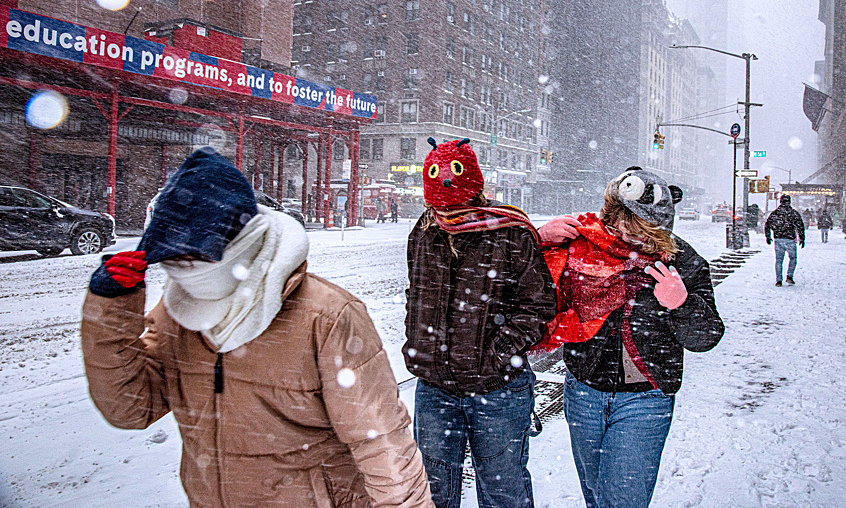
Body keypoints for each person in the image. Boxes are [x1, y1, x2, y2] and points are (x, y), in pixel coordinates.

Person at [81, 148, 434, 508]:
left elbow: (380, 442)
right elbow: (130, 408)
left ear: (238, 243)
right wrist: (111, 311)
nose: (183, 272)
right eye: (172, 261)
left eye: (193, 258)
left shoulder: (327, 316)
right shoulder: (177, 312)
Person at [535, 167, 724, 508]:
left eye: (638, 233)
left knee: (621, 502)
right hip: (584, 393)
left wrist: (680, 303)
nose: (625, 238)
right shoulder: (588, 245)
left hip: (645, 400)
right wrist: (537, 240)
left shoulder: (681, 261)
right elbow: (517, 287)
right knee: (596, 497)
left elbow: (706, 336)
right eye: (619, 226)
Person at [404, 137, 557, 508]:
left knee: (503, 491)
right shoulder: (424, 232)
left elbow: (537, 306)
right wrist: (419, 347)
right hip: (435, 388)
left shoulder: (510, 231)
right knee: (430, 492)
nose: (444, 183)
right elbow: (417, 293)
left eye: (454, 172)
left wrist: (496, 354)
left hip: (497, 388)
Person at [765, 194, 805, 286]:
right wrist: (802, 238)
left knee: (779, 260)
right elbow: (800, 226)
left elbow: (767, 224)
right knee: (793, 258)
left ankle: (779, 280)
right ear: (789, 202)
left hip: (778, 239)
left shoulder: (775, 213)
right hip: (790, 239)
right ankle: (789, 276)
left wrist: (768, 236)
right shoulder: (793, 213)